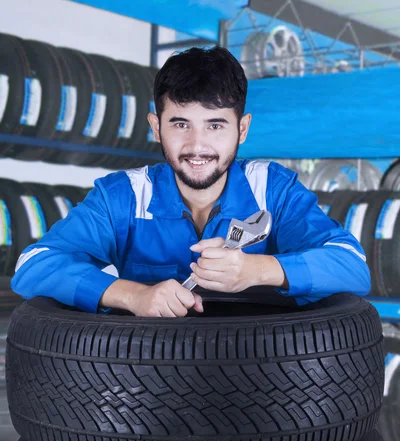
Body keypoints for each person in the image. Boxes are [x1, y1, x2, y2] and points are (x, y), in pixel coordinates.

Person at [11, 46, 370, 318]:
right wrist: (133, 295)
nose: (197, 146)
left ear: (242, 129)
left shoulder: (273, 191)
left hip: (264, 381)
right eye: (180, 124)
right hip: (144, 386)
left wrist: (257, 270)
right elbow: (33, 266)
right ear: (156, 127)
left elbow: (352, 267)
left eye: (215, 125)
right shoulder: (122, 197)